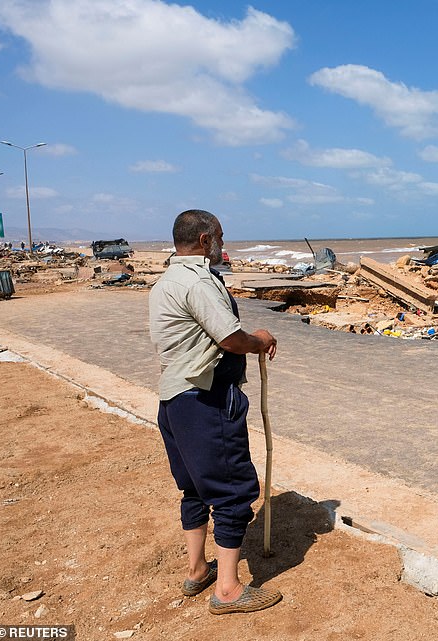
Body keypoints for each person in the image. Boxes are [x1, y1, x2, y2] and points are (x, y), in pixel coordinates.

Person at [149, 209, 282, 615]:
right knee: (232, 490)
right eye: (221, 236)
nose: (225, 243)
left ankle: (197, 569)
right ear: (205, 240)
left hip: (174, 402)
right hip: (205, 401)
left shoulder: (165, 281)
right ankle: (227, 590)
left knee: (193, 487)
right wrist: (260, 338)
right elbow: (231, 339)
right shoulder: (197, 281)